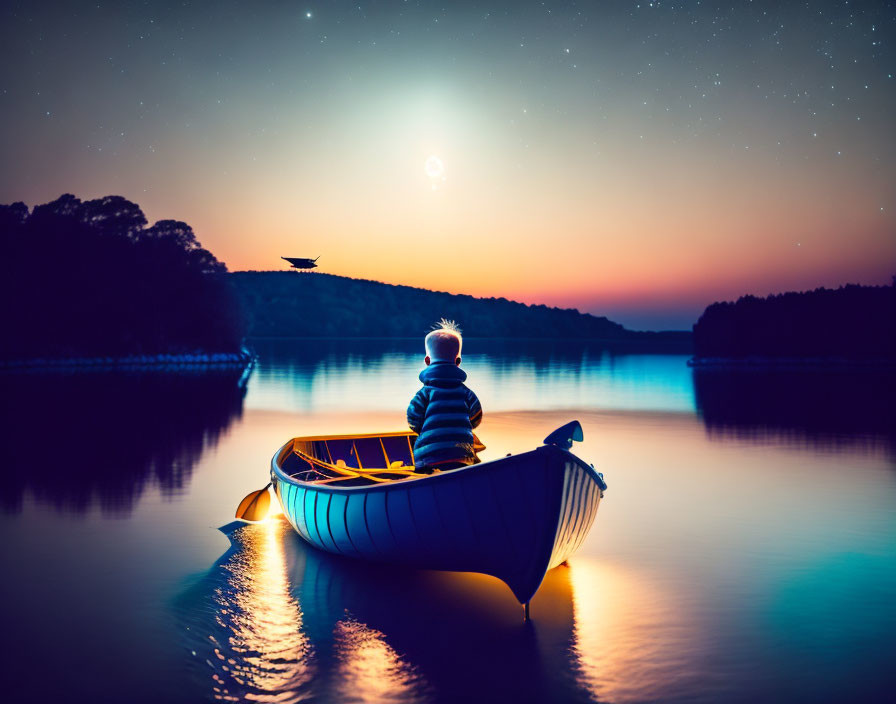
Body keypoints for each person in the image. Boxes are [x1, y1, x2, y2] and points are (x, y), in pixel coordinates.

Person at [407, 319, 482, 472]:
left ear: (427, 361)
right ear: (458, 361)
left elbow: (413, 419)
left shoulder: (425, 392)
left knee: (419, 447)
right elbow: (476, 417)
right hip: (463, 456)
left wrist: (428, 429)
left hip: (430, 458)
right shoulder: (466, 392)